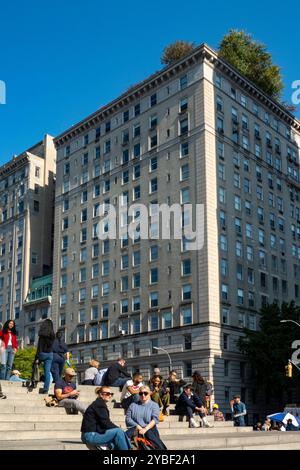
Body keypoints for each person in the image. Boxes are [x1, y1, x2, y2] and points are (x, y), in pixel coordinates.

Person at [81, 386, 132, 450]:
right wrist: (118, 429)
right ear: (101, 394)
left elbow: (103, 424)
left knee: (115, 441)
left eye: (111, 394)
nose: (110, 396)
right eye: (108, 394)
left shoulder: (99, 403)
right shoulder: (99, 405)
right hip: (90, 436)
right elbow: (106, 423)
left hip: (92, 434)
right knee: (118, 432)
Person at [126, 385, 167, 449]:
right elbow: (128, 419)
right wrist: (138, 427)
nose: (143, 395)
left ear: (149, 393)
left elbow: (155, 419)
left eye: (145, 393)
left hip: (149, 429)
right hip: (135, 429)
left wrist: (145, 429)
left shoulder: (154, 405)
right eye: (141, 393)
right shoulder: (133, 405)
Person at [35, 319, 55, 394]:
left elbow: (39, 347)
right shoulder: (52, 335)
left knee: (35, 366)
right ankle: (46, 389)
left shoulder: (42, 335)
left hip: (42, 353)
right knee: (47, 371)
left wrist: (37, 358)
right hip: (50, 354)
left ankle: (33, 381)